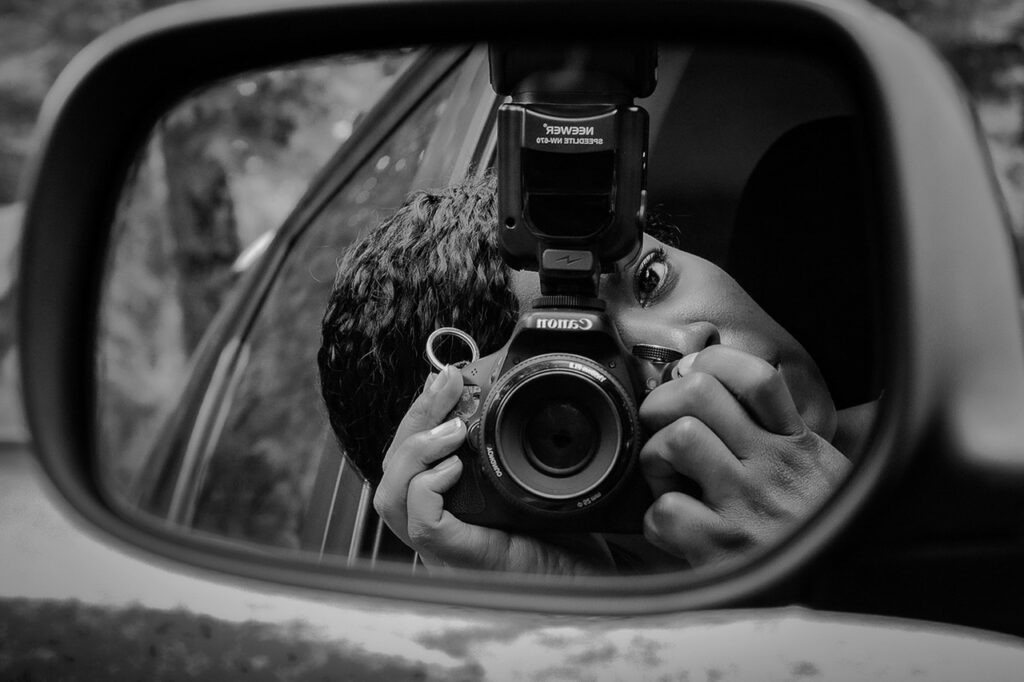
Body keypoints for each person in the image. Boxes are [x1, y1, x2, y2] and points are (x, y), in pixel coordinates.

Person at [318, 173, 870, 574]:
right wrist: (583, 607)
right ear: (498, 484)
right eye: (571, 406)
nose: (687, 346)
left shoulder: (952, 406)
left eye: (651, 280)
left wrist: (839, 553)